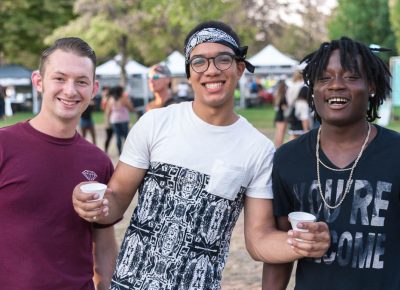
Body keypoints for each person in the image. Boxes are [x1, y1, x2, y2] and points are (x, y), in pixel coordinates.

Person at [73, 21, 330, 290]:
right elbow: (115, 202)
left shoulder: (258, 149)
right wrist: (90, 203)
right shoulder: (155, 123)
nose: (211, 70)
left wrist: (301, 243)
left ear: (239, 68)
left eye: (223, 59)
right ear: (189, 73)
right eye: (199, 62)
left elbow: (258, 241)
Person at [263, 37, 398, 290]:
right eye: (324, 78)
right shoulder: (288, 158)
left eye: (350, 77)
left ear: (371, 86)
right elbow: (281, 248)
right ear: (313, 88)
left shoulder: (396, 153)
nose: (336, 85)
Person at [0, 37, 117, 290]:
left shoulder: (98, 162)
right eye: (60, 78)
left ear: (94, 89)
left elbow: (104, 242)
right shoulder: (4, 145)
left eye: (81, 82)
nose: (71, 90)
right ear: (38, 82)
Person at [105, 85, 135, 155]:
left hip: (114, 120)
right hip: (123, 120)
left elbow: (108, 112)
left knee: (118, 137)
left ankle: (119, 152)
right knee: (126, 136)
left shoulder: (111, 99)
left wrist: (108, 121)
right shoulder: (123, 98)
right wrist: (133, 108)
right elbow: (131, 108)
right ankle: (128, 152)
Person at [273, 79, 288, 147]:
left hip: (277, 115)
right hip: (282, 116)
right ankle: (279, 147)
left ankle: (277, 146)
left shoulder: (278, 95)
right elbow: (284, 108)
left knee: (278, 132)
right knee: (281, 133)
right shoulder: (283, 96)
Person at [100, 86, 114, 154]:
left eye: (107, 90)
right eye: (105, 90)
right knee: (109, 136)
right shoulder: (105, 98)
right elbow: (103, 108)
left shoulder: (110, 98)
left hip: (112, 119)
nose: (106, 91)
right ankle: (105, 150)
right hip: (108, 120)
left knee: (110, 136)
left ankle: (106, 150)